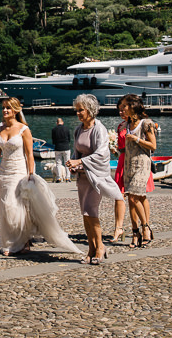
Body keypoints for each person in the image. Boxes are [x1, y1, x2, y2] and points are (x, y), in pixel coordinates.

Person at [0, 97, 82, 257]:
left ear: (15, 110)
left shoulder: (23, 129)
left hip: (19, 171)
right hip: (4, 172)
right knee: (5, 208)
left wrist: (31, 173)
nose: (5, 111)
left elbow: (30, 155)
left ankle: (21, 242)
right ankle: (13, 242)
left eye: (8, 108)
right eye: (3, 107)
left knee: (14, 206)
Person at [65, 94, 124, 264]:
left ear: (90, 110)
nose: (78, 113)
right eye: (76, 110)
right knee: (85, 213)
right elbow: (77, 151)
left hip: (95, 177)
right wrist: (74, 165)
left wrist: (80, 161)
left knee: (92, 211)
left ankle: (100, 247)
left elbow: (101, 154)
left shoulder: (99, 129)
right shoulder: (78, 129)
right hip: (82, 177)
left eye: (81, 110)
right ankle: (91, 248)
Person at [119, 93, 157, 248]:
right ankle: (135, 232)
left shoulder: (146, 123)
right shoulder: (125, 125)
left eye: (124, 106)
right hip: (128, 164)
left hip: (142, 164)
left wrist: (137, 139)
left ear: (132, 106)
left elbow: (153, 146)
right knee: (131, 199)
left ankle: (146, 227)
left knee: (135, 197)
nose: (122, 110)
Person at [51, 118, 71, 183]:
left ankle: (59, 178)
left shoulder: (54, 129)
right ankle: (68, 178)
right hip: (66, 147)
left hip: (58, 148)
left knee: (58, 163)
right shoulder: (67, 128)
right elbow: (69, 138)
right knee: (67, 163)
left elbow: (53, 140)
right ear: (63, 122)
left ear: (57, 123)